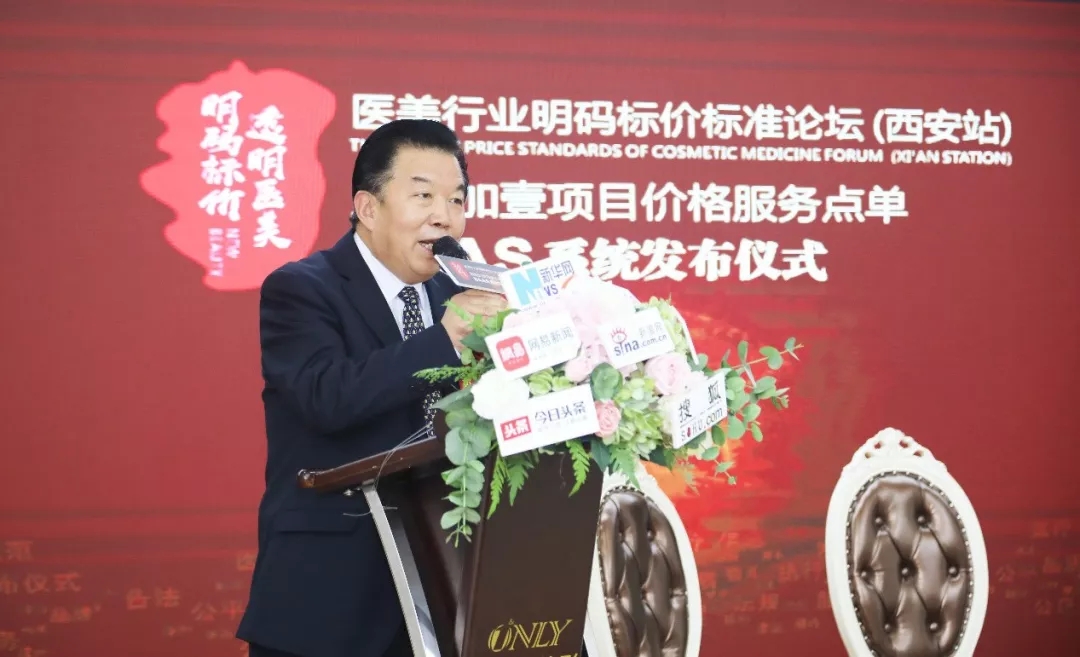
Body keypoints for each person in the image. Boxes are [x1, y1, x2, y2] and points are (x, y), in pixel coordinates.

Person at [236, 119, 508, 657]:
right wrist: (446, 339)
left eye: (456, 199)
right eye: (423, 196)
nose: (444, 216)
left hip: (448, 590)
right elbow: (327, 397)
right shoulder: (302, 289)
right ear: (368, 207)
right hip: (331, 599)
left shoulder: (458, 294)